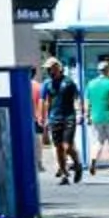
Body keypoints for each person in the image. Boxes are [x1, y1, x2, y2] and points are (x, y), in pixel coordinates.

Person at [41, 57, 81, 185]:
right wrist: (43, 118)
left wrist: (81, 113)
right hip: (54, 118)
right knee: (58, 148)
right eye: (47, 69)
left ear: (58, 67)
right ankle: (64, 174)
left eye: (50, 68)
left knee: (67, 146)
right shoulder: (47, 84)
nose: (49, 71)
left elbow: (77, 97)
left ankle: (77, 164)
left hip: (69, 117)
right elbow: (45, 101)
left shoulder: (68, 82)